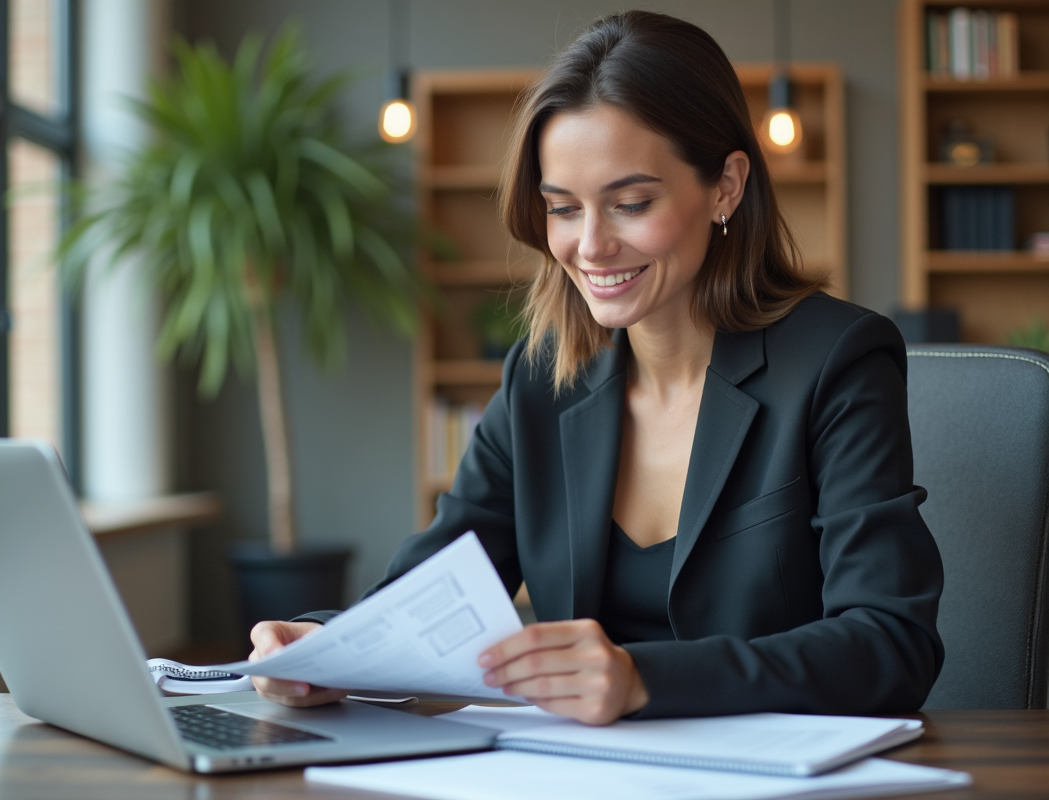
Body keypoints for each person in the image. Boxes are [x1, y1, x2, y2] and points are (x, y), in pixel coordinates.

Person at [248, 10, 944, 725]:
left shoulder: (838, 360)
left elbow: (890, 643)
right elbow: (430, 591)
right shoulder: (542, 377)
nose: (590, 246)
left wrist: (643, 678)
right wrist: (323, 647)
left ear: (726, 187)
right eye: (562, 209)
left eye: (631, 203)